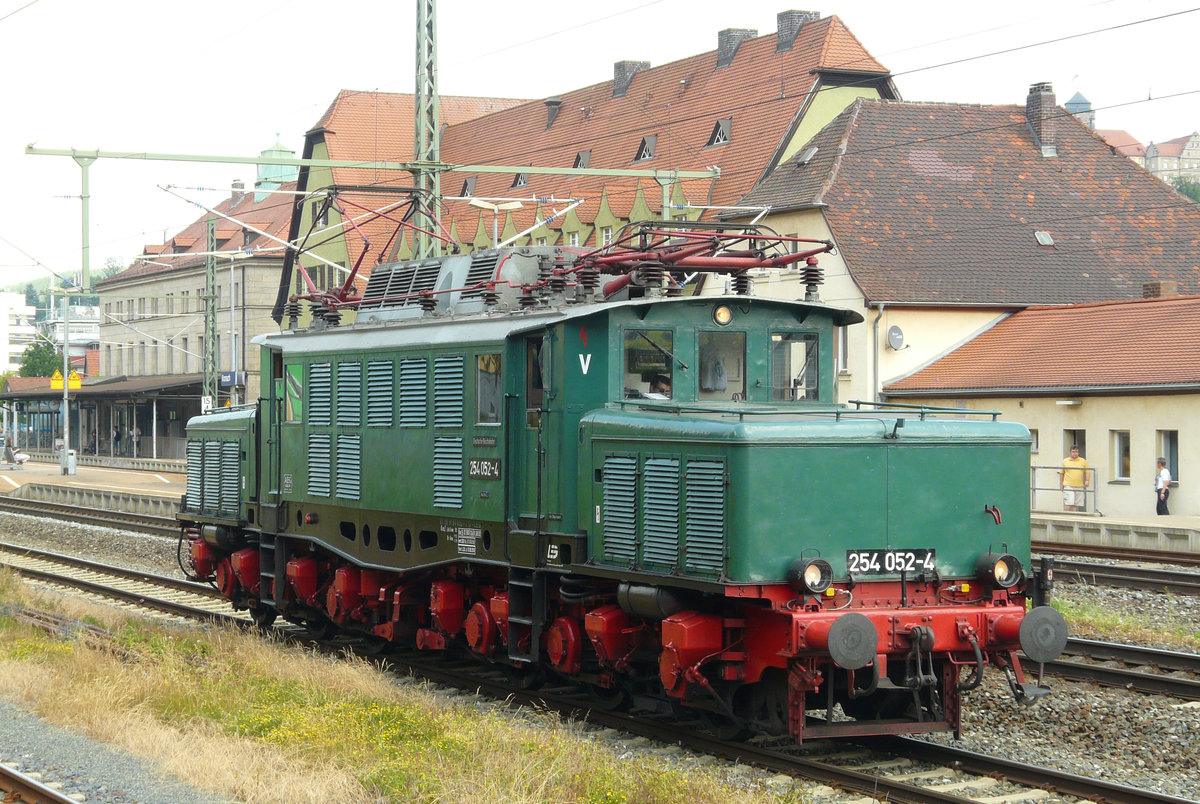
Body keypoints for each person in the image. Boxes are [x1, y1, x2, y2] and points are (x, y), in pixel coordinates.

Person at [1059, 444, 1089, 512]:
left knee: (1075, 504)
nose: (1075, 453)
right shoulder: (1065, 461)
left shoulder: (1083, 461)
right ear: (1070, 452)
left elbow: (1087, 471)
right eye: (1073, 451)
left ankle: (1074, 517)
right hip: (1068, 485)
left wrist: (1087, 480)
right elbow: (1062, 473)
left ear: (1078, 452)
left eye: (1076, 451)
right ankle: (1066, 516)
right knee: (1069, 502)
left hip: (1079, 485)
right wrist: (1061, 483)